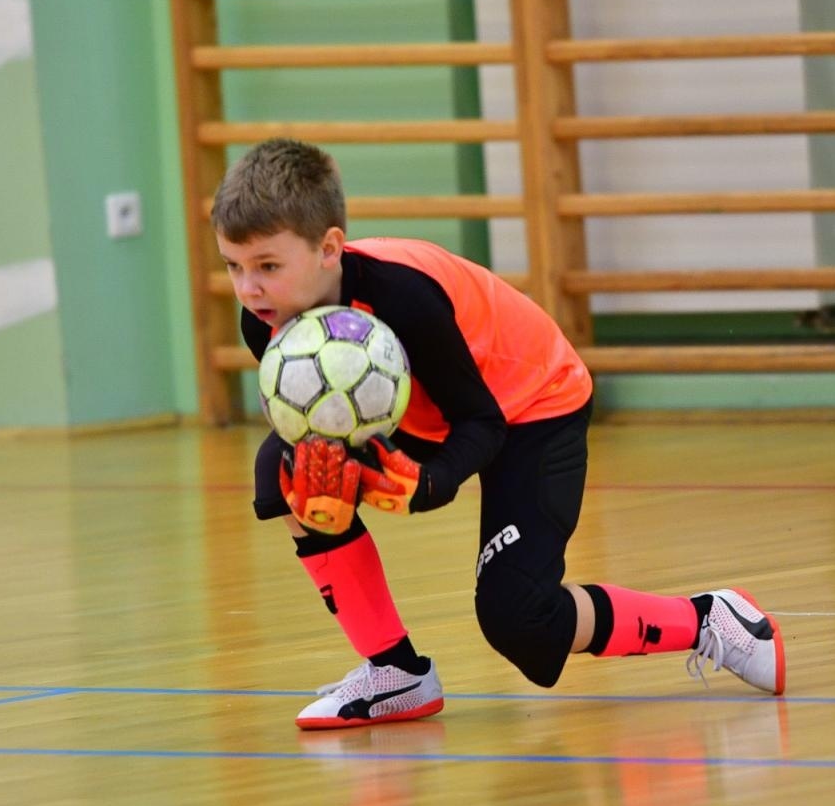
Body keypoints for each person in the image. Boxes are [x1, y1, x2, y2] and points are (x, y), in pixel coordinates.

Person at [212, 139, 785, 730]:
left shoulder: (404, 298)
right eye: (234, 266)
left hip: (534, 407)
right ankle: (394, 673)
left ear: (329, 248)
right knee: (283, 472)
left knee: (521, 623)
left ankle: (713, 619)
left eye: (267, 267)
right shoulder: (271, 327)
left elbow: (481, 422)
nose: (248, 289)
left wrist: (427, 484)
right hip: (436, 415)